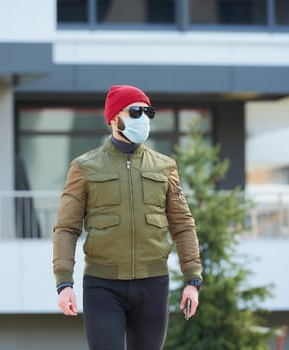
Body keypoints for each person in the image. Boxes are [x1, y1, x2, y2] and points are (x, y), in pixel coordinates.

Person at [53, 84, 202, 350]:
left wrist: (193, 280)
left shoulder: (165, 167)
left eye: (148, 112)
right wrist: (64, 283)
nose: (143, 118)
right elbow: (66, 228)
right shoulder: (84, 167)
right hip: (102, 287)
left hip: (153, 285)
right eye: (135, 111)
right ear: (113, 118)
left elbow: (183, 225)